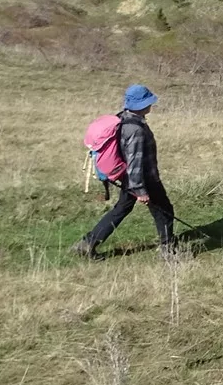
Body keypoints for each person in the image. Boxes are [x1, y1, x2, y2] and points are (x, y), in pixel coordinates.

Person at [72, 85, 179, 260]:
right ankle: (168, 251)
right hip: (143, 179)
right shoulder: (136, 130)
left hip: (128, 177)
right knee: (164, 211)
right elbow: (135, 161)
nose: (151, 105)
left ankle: (87, 243)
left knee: (121, 209)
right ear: (143, 105)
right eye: (149, 101)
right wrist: (140, 190)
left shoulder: (123, 117)